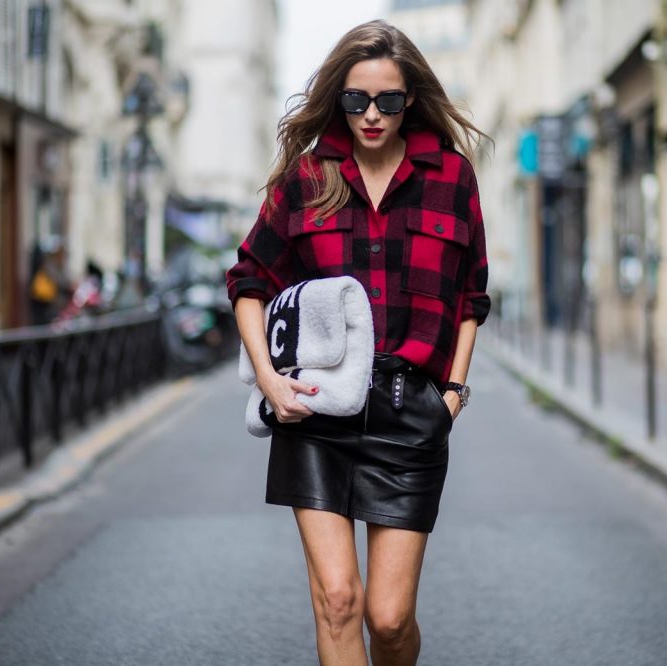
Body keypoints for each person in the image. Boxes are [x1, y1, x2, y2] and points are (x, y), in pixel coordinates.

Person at [226, 20, 490, 665]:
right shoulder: (307, 177)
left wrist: (452, 392)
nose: (371, 115)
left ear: (411, 100)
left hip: (410, 411)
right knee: (339, 599)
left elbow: (471, 294)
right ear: (338, 99)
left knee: (390, 617)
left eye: (389, 101)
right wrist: (267, 378)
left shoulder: (450, 176)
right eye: (355, 100)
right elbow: (248, 281)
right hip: (316, 409)